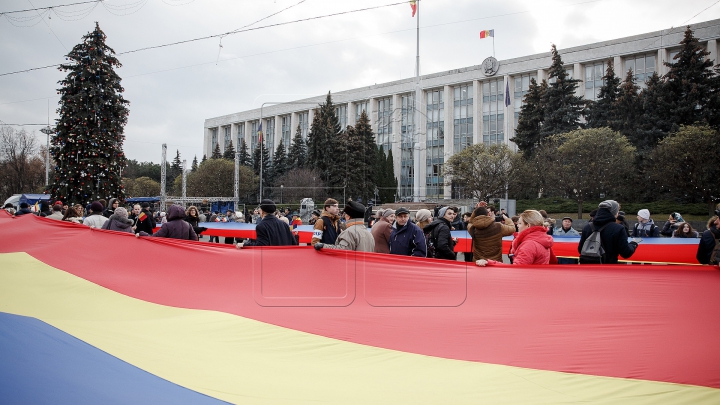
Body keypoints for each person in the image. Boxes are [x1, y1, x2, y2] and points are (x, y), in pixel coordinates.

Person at [476, 210, 556, 266]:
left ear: (528, 225)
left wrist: (490, 263)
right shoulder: (542, 239)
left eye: (520, 223)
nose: (517, 225)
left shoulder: (529, 245)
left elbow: (516, 269)